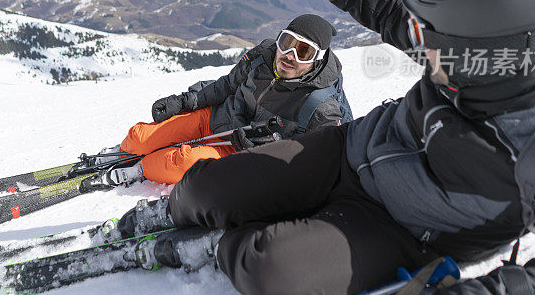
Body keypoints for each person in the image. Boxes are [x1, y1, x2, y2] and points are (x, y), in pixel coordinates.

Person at [127, 0, 535, 295]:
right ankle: (179, 214)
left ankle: (216, 245)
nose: (417, 41)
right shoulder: (458, 45)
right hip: (350, 151)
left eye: (433, 37)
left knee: (269, 269)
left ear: (498, 49)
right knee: (206, 188)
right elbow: (385, 5)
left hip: (405, 229)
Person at [81, 13, 353, 189]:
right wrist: (184, 101)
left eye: (303, 51)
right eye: (287, 41)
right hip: (216, 116)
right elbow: (227, 85)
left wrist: (263, 152)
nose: (290, 54)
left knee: (179, 163)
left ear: (317, 59)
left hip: (237, 151)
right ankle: (124, 151)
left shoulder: (321, 108)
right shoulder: (263, 55)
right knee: (141, 137)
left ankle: (140, 169)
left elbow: (312, 167)